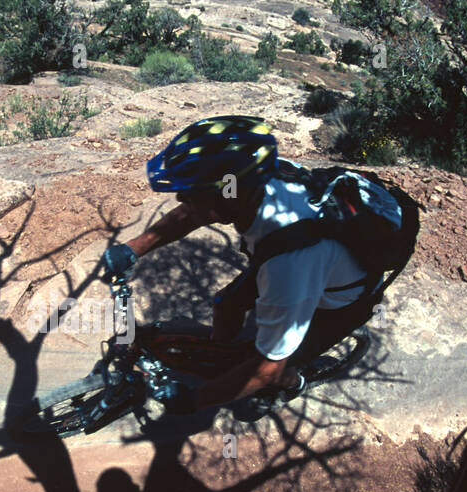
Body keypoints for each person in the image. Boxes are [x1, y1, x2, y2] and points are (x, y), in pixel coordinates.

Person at [100, 116, 376, 416]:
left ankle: (293, 385)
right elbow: (193, 214)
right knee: (225, 305)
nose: (181, 198)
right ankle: (225, 359)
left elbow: (267, 369)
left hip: (336, 299)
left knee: (275, 368)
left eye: (192, 192)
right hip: (306, 256)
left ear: (229, 195)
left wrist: (194, 400)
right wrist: (131, 250)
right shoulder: (256, 175)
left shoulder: (287, 267)